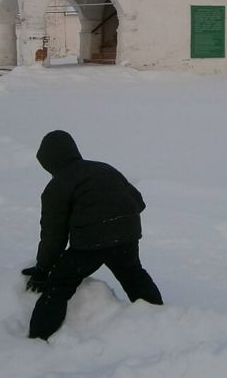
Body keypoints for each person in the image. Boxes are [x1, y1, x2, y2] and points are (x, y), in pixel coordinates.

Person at [22, 130, 162, 340]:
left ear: (49, 162)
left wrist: (43, 269)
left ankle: (38, 337)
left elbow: (54, 235)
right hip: (126, 234)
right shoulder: (104, 168)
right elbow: (138, 201)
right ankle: (160, 318)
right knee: (133, 274)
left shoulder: (56, 186)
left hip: (90, 244)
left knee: (59, 285)